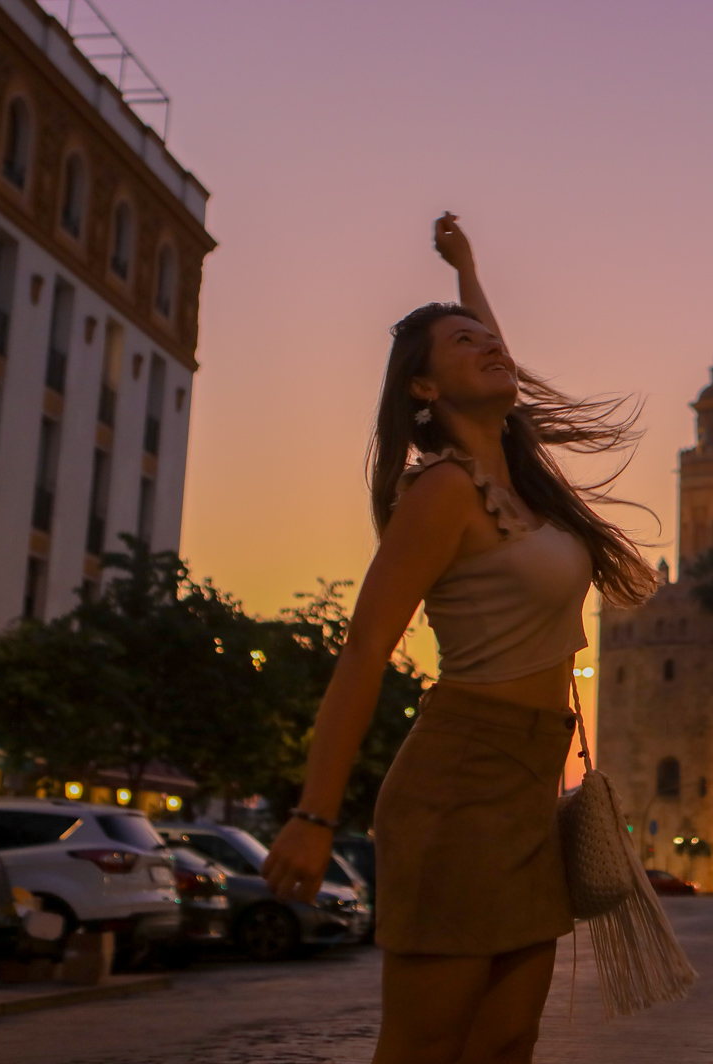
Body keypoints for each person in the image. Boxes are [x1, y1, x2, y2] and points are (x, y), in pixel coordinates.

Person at [261, 213, 658, 1064]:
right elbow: (365, 648)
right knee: (425, 1046)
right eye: (462, 343)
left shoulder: (523, 484)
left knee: (508, 1040)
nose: (490, 347)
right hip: (457, 782)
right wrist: (313, 814)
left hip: (527, 785)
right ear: (424, 390)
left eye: (491, 337)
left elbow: (497, 353)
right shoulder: (442, 494)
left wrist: (469, 268)